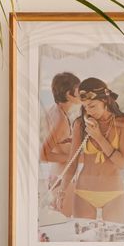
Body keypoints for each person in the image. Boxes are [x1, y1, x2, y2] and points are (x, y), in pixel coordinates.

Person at [59, 78, 124, 225]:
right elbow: (72, 162)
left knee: (113, 244)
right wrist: (62, 189)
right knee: (83, 243)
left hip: (114, 193)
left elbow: (121, 162)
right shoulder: (81, 124)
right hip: (84, 192)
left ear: (105, 101)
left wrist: (98, 137)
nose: (88, 111)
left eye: (92, 106)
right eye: (85, 107)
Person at [40, 71, 80, 217]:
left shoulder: (53, 111)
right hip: (63, 178)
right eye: (79, 90)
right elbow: (43, 154)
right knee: (64, 222)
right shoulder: (61, 120)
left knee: (59, 221)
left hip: (56, 175)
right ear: (70, 94)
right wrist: (73, 158)